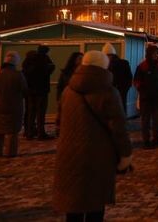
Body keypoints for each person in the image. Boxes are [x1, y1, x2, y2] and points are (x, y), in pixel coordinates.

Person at [53, 50, 132, 222]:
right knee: (95, 206)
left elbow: (59, 122)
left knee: (73, 205)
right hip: (98, 155)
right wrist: (125, 155)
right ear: (104, 66)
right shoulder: (108, 92)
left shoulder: (68, 90)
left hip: (69, 155)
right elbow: (119, 128)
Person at [0, 51, 27, 158]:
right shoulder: (18, 75)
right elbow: (24, 90)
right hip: (15, 106)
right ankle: (11, 152)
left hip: (0, 105)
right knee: (12, 131)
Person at [133, 45, 158, 148]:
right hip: (146, 98)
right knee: (145, 121)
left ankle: (156, 139)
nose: (156, 55)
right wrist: (143, 90)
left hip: (157, 98)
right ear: (149, 54)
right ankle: (146, 141)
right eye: (154, 54)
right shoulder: (142, 66)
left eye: (157, 54)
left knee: (157, 120)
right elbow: (136, 81)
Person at [22, 46, 55, 140]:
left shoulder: (28, 60)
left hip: (30, 90)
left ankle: (29, 132)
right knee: (41, 112)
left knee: (30, 112)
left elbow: (24, 72)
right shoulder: (44, 59)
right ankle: (41, 133)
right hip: (42, 89)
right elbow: (51, 68)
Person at [56, 52, 83, 136]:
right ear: (74, 60)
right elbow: (60, 86)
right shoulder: (66, 72)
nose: (81, 60)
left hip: (79, 100)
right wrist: (59, 99)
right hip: (67, 99)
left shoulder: (83, 72)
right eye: (79, 58)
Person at [103, 43, 132, 116]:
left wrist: (123, 89)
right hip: (116, 92)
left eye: (108, 55)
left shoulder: (121, 64)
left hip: (119, 92)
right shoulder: (123, 63)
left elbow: (129, 78)